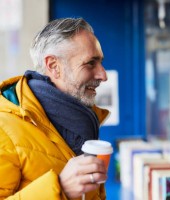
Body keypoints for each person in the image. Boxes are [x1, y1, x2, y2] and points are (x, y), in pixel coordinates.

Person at [0, 17, 110, 200]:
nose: (103, 75)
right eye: (91, 63)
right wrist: (60, 189)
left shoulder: (82, 120)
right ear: (54, 66)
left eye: (101, 62)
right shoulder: (4, 130)